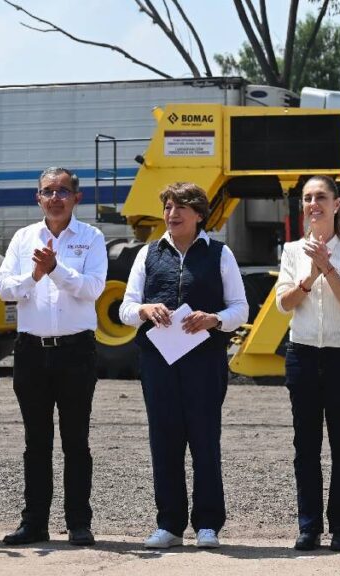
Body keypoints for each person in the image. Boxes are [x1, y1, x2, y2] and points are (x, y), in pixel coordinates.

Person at [118, 182, 247, 550]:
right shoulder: (147, 254)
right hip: (158, 363)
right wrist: (144, 310)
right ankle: (169, 524)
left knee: (205, 440)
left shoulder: (220, 255)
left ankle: (208, 524)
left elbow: (240, 309)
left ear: (199, 214)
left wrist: (214, 319)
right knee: (164, 440)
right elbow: (125, 309)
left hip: (205, 363)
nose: (172, 214)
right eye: (168, 207)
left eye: (180, 207)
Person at [0, 167, 107, 546]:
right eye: (48, 191)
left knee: (76, 441)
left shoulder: (91, 238)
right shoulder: (24, 237)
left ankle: (78, 522)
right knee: (36, 442)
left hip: (76, 351)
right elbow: (4, 289)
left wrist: (57, 269)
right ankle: (35, 523)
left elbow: (93, 289)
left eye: (63, 191)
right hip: (31, 351)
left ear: (77, 198)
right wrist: (35, 277)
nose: (55, 198)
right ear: (37, 198)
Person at [275, 176, 340, 552]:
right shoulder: (292, 250)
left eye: (321, 197)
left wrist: (328, 268)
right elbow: (285, 303)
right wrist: (310, 275)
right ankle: (309, 526)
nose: (314, 204)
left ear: (337, 204)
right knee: (306, 445)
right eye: (308, 198)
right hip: (303, 354)